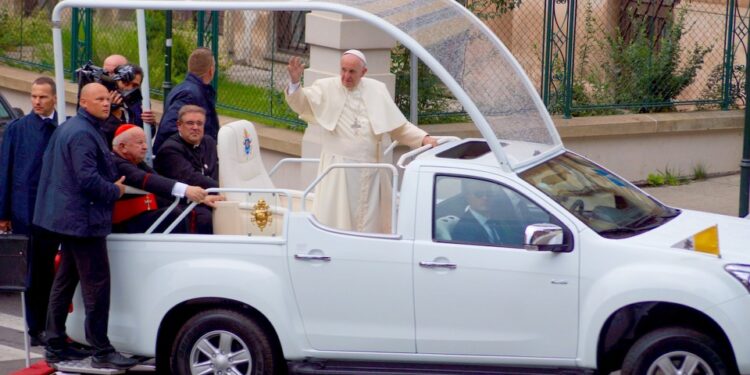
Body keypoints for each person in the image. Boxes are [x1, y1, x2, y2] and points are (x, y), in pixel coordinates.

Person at [33, 82, 139, 370]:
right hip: (84, 221)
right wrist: (114, 191)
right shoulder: (82, 133)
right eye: (100, 99)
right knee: (97, 285)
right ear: (83, 102)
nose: (107, 103)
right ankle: (101, 350)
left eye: (107, 98)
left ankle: (54, 344)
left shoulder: (75, 128)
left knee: (65, 281)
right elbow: (87, 180)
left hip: (71, 220)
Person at [285, 49, 438, 233]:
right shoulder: (326, 87)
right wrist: (295, 82)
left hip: (371, 172)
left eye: (352, 72)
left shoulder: (377, 90)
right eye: (343, 70)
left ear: (363, 72)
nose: (346, 76)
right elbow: (301, 103)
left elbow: (398, 127)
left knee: (371, 225)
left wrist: (424, 138)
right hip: (339, 173)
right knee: (337, 221)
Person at [0, 77, 60, 346]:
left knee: (52, 270)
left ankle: (53, 325)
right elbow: (6, 171)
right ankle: (36, 328)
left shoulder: (62, 128)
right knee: (34, 271)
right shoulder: (18, 129)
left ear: (54, 99)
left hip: (56, 211)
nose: (37, 101)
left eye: (43, 97)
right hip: (26, 211)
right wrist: (3, 213)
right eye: (34, 96)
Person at [111, 124, 210, 233]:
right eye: (140, 143)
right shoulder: (116, 163)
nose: (145, 147)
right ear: (122, 147)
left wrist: (199, 199)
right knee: (175, 215)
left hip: (140, 215)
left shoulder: (136, 162)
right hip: (124, 222)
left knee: (196, 212)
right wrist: (186, 190)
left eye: (145, 142)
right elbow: (147, 180)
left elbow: (158, 181)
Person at [154, 105, 220, 234]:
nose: (195, 127)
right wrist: (223, 189)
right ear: (179, 125)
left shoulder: (208, 142)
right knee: (205, 218)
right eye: (190, 123)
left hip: (207, 195)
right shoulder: (170, 149)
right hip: (179, 201)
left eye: (199, 123)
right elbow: (191, 178)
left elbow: (214, 172)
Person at [153, 47, 219, 152]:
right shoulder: (190, 94)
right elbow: (170, 128)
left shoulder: (188, 89)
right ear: (211, 70)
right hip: (180, 161)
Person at [99, 63, 157, 146]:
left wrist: (150, 124)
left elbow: (146, 137)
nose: (129, 88)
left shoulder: (140, 103)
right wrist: (113, 115)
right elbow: (101, 138)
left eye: (135, 85)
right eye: (126, 83)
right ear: (115, 81)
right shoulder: (101, 102)